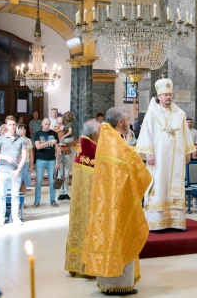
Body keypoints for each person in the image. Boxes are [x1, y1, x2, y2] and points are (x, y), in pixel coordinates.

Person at [82, 108, 150, 295]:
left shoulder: (107, 137)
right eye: (128, 119)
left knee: (109, 235)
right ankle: (118, 284)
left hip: (107, 197)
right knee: (120, 233)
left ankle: (107, 281)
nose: (129, 123)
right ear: (120, 122)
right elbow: (132, 163)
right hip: (117, 199)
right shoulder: (113, 141)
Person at [136, 77, 195, 231]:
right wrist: (149, 153)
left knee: (174, 185)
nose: (168, 97)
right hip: (159, 158)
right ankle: (157, 223)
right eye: (165, 95)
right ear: (159, 96)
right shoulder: (151, 113)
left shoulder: (180, 113)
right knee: (159, 184)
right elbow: (146, 134)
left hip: (175, 158)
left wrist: (188, 152)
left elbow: (185, 133)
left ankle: (175, 222)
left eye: (170, 94)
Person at [65, 119, 100, 277]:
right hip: (89, 197)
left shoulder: (82, 144)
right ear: (94, 133)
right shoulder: (92, 147)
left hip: (80, 197)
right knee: (88, 226)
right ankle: (87, 267)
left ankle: (75, 265)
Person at [0, 116, 28, 226]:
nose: (12, 126)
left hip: (16, 171)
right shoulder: (1, 139)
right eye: (10, 124)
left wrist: (18, 169)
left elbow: (24, 156)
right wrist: (5, 157)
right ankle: (1, 217)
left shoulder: (21, 139)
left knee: (15, 195)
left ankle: (15, 217)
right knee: (1, 194)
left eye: (14, 124)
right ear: (6, 126)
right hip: (3, 170)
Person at [33, 117, 60, 208]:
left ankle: (53, 200)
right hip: (40, 160)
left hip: (51, 160)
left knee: (52, 181)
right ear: (42, 124)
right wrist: (49, 142)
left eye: (49, 124)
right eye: (46, 124)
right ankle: (37, 201)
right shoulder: (38, 133)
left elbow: (57, 148)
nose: (47, 126)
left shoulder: (54, 133)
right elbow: (38, 147)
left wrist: (57, 161)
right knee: (38, 181)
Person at [55, 115, 74, 201]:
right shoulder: (55, 130)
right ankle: (60, 192)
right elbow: (54, 140)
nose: (61, 125)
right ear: (56, 123)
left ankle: (66, 192)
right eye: (59, 123)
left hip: (67, 154)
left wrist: (66, 144)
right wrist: (60, 130)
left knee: (66, 175)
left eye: (62, 123)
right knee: (60, 175)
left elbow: (75, 140)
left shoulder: (67, 130)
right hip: (59, 155)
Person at [15, 124, 34, 202]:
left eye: (24, 129)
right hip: (18, 163)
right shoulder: (15, 139)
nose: (22, 131)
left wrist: (31, 165)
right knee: (17, 182)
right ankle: (16, 201)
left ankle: (22, 201)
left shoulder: (28, 140)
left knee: (24, 183)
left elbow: (31, 153)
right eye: (21, 129)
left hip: (26, 163)